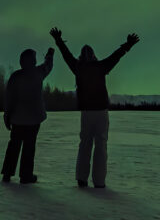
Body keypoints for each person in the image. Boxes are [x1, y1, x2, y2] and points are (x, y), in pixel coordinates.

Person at [50, 26, 139, 189]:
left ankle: (81, 178)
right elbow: (116, 56)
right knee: (100, 145)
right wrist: (128, 45)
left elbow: (66, 54)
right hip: (100, 112)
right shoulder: (100, 67)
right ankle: (99, 181)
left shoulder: (78, 68)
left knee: (85, 144)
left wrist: (58, 41)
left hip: (87, 113)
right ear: (93, 55)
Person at [1, 47, 54, 184]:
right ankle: (25, 175)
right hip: (34, 118)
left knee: (14, 145)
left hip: (18, 118)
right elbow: (48, 66)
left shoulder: (15, 76)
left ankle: (7, 173)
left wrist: (7, 116)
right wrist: (50, 54)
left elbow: (9, 99)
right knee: (29, 147)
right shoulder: (38, 73)